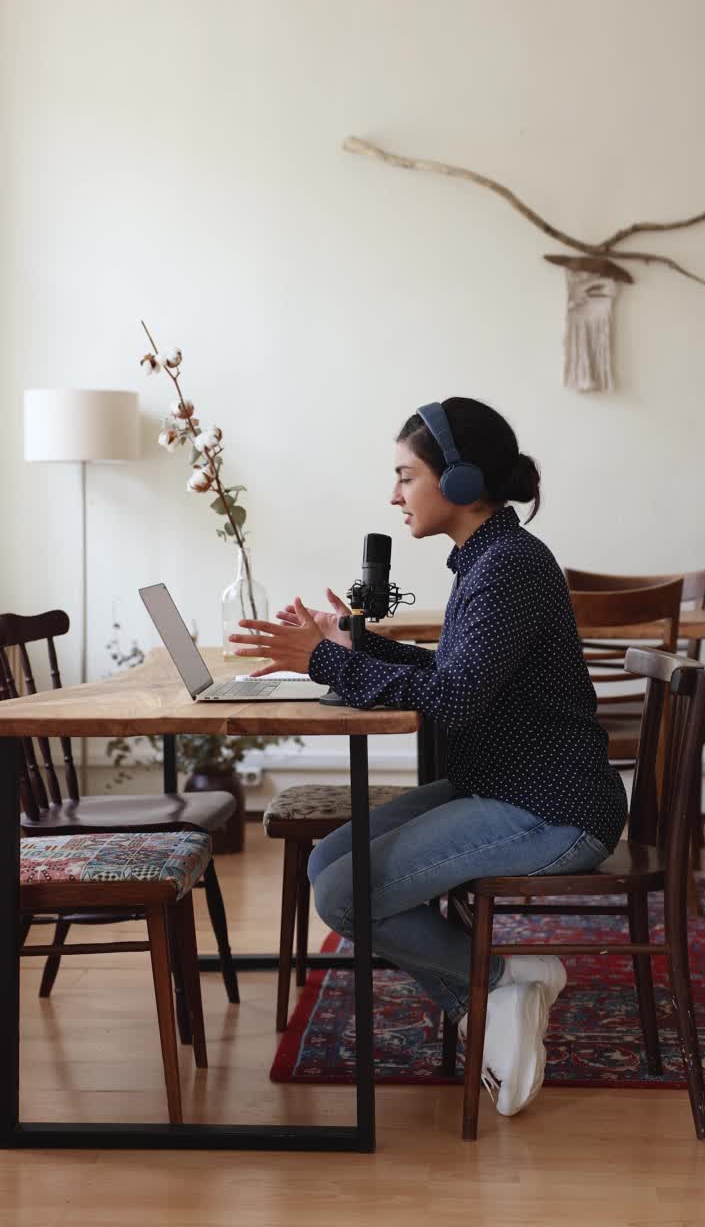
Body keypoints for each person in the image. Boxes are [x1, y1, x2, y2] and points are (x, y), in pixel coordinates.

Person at [229, 397, 628, 1116]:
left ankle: (504, 981)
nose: (393, 494)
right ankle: (494, 993)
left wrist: (324, 661)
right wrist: (354, 643)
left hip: (553, 810)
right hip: (506, 787)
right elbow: (456, 673)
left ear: (464, 482)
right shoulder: (492, 559)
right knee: (329, 864)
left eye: (405, 475)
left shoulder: (507, 566)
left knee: (342, 894)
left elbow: (454, 701)